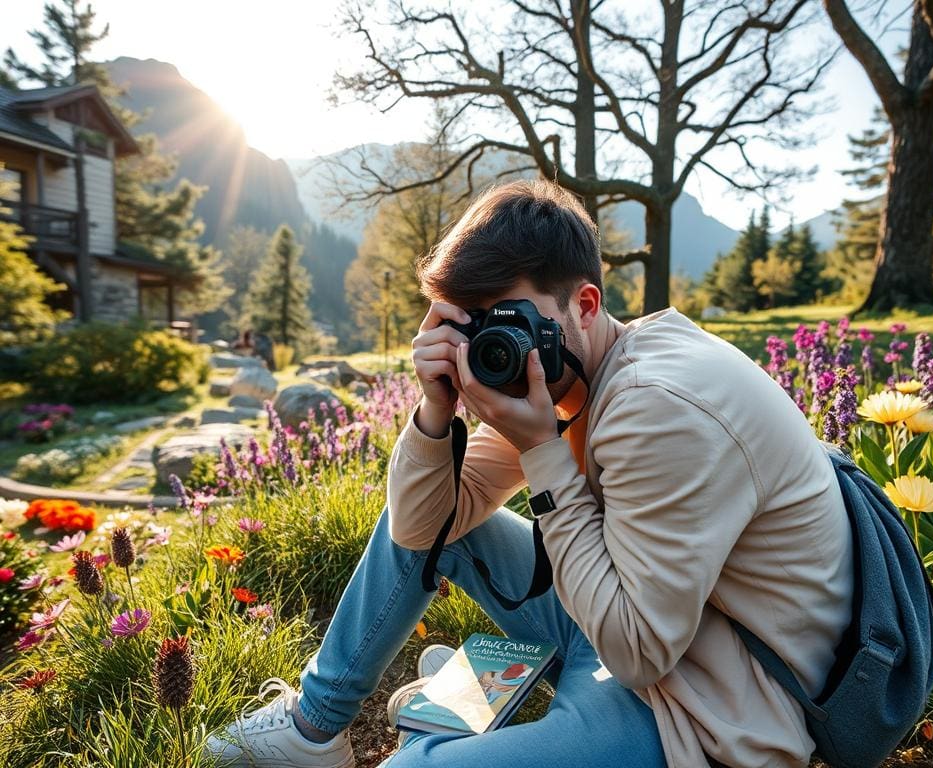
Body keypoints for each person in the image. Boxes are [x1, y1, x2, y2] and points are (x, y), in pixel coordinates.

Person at [204, 179, 853, 768]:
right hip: (641, 629)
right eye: (475, 323)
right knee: (445, 525)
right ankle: (315, 728)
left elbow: (637, 653)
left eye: (509, 319)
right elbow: (423, 530)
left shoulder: (658, 404)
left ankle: (444, 724)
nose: (497, 344)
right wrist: (437, 410)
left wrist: (542, 448)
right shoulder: (571, 374)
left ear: (587, 304)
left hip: (710, 703)